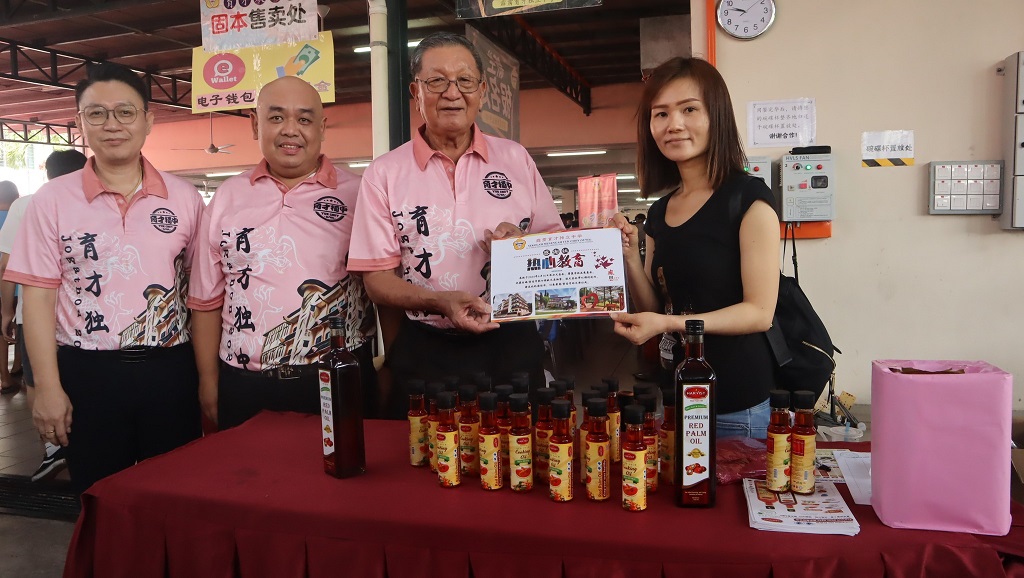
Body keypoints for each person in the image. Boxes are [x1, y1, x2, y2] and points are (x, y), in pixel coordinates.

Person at [3, 62, 205, 494]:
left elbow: (202, 294)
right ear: (80, 123)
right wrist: (47, 388)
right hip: (87, 374)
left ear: (148, 120)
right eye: (96, 113)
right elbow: (37, 298)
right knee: (99, 495)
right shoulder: (52, 200)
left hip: (170, 370)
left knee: (174, 493)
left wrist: (208, 380)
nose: (112, 124)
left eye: (125, 112)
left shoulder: (185, 198)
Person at [347, 31, 563, 419]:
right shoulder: (385, 173)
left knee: (517, 447)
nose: (452, 93)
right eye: (436, 81)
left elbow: (555, 244)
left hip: (510, 343)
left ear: (481, 91)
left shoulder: (516, 159)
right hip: (426, 348)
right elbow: (376, 279)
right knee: (422, 450)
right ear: (416, 92)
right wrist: (439, 302)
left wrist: (522, 246)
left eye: (464, 80)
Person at [188, 75, 377, 429]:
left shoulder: (360, 194)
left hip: (336, 378)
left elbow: (382, 284)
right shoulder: (227, 197)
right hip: (244, 384)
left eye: (304, 119)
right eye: (276, 117)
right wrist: (208, 380)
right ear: (255, 124)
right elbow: (205, 299)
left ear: (322, 128)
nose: (291, 130)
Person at [609, 57, 780, 440]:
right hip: (675, 393)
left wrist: (668, 325)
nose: (673, 124)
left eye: (689, 109)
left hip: (735, 401)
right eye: (661, 114)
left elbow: (759, 313)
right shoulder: (659, 211)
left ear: (716, 116)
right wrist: (630, 256)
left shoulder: (747, 199)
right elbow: (655, 307)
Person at [0, 149, 87, 481]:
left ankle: (53, 449)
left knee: (37, 380)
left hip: (34, 312)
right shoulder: (96, 202)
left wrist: (7, 309)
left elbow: (7, 264)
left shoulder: (27, 204)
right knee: (79, 380)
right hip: (83, 318)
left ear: (48, 174)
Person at [0, 180, 20, 393]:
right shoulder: (20, 217)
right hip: (20, 285)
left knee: (1, 330)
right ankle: (18, 366)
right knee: (21, 326)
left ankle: (4, 377)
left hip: (1, 286)